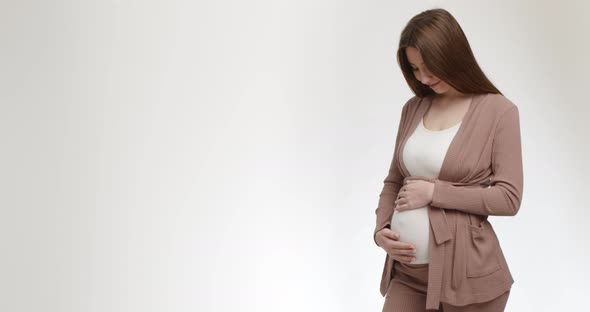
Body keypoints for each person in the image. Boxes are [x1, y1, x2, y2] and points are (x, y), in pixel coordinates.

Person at [373, 8, 523, 312]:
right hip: (408, 274)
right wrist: (380, 231)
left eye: (430, 66)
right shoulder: (413, 108)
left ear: (453, 55)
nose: (423, 77)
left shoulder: (499, 111)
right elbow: (394, 180)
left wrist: (434, 193)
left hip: (467, 277)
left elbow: (509, 198)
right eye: (414, 68)